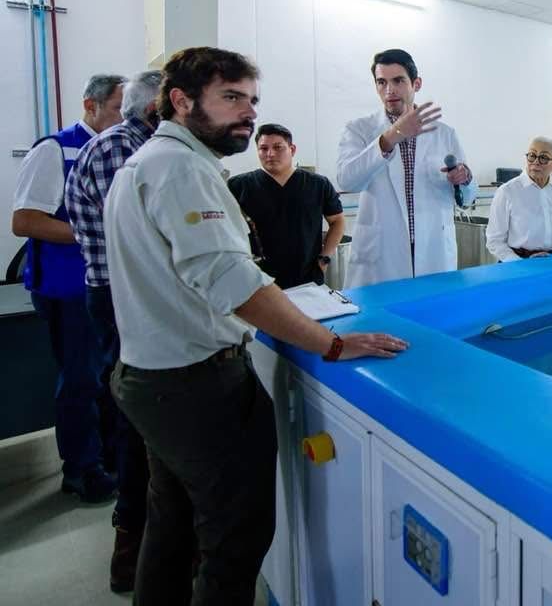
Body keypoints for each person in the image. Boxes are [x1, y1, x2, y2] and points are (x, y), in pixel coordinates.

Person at [103, 46, 407, 606]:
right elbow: (237, 284)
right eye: (231, 97)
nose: (248, 112)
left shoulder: (147, 163)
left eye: (252, 99)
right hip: (197, 386)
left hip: (149, 377)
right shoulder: (183, 170)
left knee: (171, 526)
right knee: (234, 543)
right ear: (181, 100)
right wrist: (332, 344)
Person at [64, 69, 163, 593]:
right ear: (157, 110)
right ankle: (133, 547)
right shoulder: (119, 149)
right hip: (124, 297)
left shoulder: (140, 147)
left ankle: (151, 542)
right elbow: (140, 236)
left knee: (143, 417)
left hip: (131, 293)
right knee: (137, 420)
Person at [11, 73, 126, 503]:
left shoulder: (120, 150)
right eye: (117, 108)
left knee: (110, 376)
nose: (124, 118)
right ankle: (80, 469)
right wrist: (95, 233)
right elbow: (25, 221)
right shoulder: (56, 149)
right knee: (81, 377)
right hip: (68, 286)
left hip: (108, 283)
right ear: (90, 106)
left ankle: (110, 457)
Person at [337, 48, 475, 288]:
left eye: (398, 81)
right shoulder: (359, 130)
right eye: (381, 82)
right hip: (381, 255)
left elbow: (468, 198)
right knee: (381, 312)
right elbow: (347, 180)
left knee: (433, 308)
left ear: (416, 84)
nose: (389, 90)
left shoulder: (444, 134)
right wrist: (391, 137)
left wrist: (465, 179)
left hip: (433, 251)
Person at [228, 123, 345, 289]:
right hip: (258, 281)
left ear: (292, 149)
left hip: (307, 277)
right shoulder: (239, 186)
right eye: (263, 148)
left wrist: (324, 258)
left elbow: (337, 221)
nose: (270, 154)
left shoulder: (317, 184)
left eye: (278, 147)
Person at [486, 136, 552, 262]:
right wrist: (520, 263)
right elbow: (494, 241)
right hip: (518, 263)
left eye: (543, 157)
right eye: (532, 155)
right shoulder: (507, 192)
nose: (536, 162)